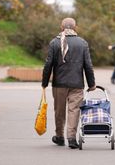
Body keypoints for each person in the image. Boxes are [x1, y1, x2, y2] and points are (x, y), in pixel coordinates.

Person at [42, 17, 96, 149]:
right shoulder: (82, 43)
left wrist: (44, 82)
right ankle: (71, 138)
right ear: (75, 27)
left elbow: (48, 64)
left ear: (61, 27)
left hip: (59, 84)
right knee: (74, 110)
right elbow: (88, 65)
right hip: (77, 84)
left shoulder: (54, 43)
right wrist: (91, 84)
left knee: (59, 111)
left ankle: (59, 137)